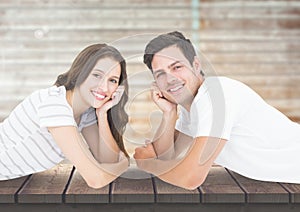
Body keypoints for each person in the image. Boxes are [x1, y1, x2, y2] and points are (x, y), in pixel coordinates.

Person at [133, 31, 300, 190]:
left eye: (176, 67)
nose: (170, 79)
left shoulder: (217, 96)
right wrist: (169, 112)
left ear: (196, 65)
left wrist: (147, 164)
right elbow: (164, 156)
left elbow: (190, 177)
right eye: (160, 74)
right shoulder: (191, 107)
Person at [0, 43, 130, 188]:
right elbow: (96, 180)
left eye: (112, 80)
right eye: (97, 75)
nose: (104, 87)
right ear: (80, 72)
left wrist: (102, 114)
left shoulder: (86, 112)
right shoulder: (55, 105)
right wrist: (122, 165)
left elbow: (107, 160)